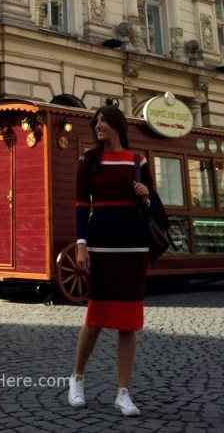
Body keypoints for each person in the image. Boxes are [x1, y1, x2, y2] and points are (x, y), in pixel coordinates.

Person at [67, 98, 163, 417]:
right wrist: (81, 245)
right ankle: (77, 378)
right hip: (101, 244)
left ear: (117, 125)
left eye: (104, 120)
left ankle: (123, 392)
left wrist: (146, 197)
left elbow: (156, 210)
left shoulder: (139, 161)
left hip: (133, 247)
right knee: (95, 318)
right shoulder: (88, 161)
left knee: (128, 323)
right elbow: (82, 206)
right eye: (96, 121)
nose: (99, 125)